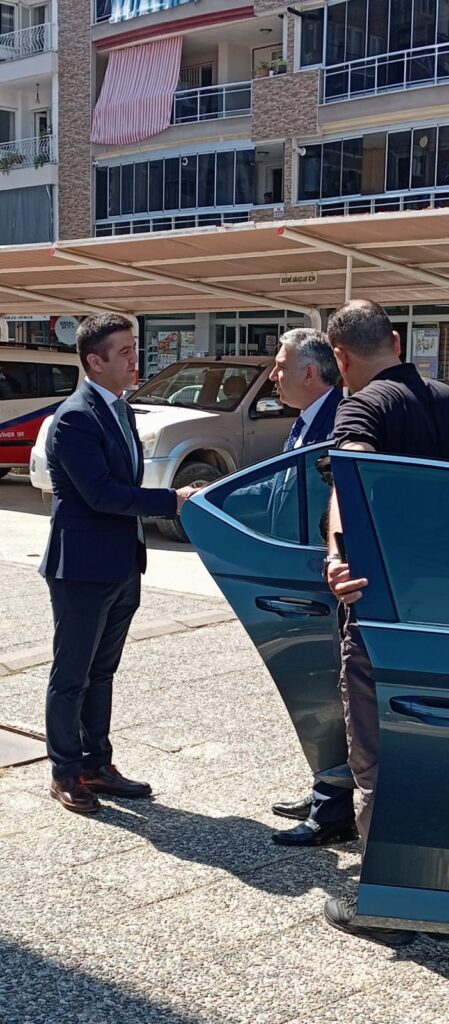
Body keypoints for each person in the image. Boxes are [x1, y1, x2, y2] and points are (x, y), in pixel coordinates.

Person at [323, 299, 449, 944]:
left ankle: (391, 902)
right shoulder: (445, 398)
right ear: (397, 340)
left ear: (340, 357)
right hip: (443, 603)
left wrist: (337, 557)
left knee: (377, 753)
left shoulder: (362, 408)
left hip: (387, 606)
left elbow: (351, 478)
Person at [40, 313, 196, 815]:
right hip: (82, 568)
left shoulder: (121, 410)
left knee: (102, 672)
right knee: (72, 674)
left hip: (123, 562)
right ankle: (65, 772)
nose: (135, 359)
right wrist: (171, 501)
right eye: (125, 351)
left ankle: (96, 762)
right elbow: (102, 494)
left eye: (134, 348)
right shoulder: (75, 417)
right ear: (95, 361)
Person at [231, 327, 356, 847]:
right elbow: (283, 490)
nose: (273, 374)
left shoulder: (338, 422)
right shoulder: (306, 420)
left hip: (322, 580)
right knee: (313, 690)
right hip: (299, 574)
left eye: (281, 365)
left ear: (310, 371)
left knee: (329, 692)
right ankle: (325, 786)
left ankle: (333, 811)